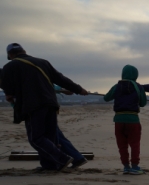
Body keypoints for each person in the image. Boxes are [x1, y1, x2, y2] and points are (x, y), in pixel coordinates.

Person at [1, 43, 87, 171]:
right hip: (51, 104)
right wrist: (78, 89)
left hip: (32, 105)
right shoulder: (43, 62)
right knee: (49, 137)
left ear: (10, 55)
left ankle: (62, 158)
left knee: (36, 138)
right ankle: (49, 166)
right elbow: (61, 79)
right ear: (24, 51)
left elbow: (8, 91)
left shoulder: (10, 66)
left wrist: (9, 95)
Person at [102, 65, 148, 175]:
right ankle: (135, 167)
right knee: (134, 144)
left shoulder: (116, 86)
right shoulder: (138, 87)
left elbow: (106, 98)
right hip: (133, 119)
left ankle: (126, 166)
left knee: (122, 145)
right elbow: (143, 103)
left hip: (118, 119)